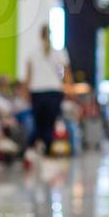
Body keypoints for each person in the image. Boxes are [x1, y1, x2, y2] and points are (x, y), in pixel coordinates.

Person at [24, 25, 68, 156]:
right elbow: (66, 73)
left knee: (38, 124)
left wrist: (26, 93)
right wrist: (67, 88)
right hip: (54, 92)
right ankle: (47, 149)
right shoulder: (59, 53)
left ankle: (32, 150)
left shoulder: (32, 53)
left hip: (37, 92)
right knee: (50, 124)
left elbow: (28, 77)